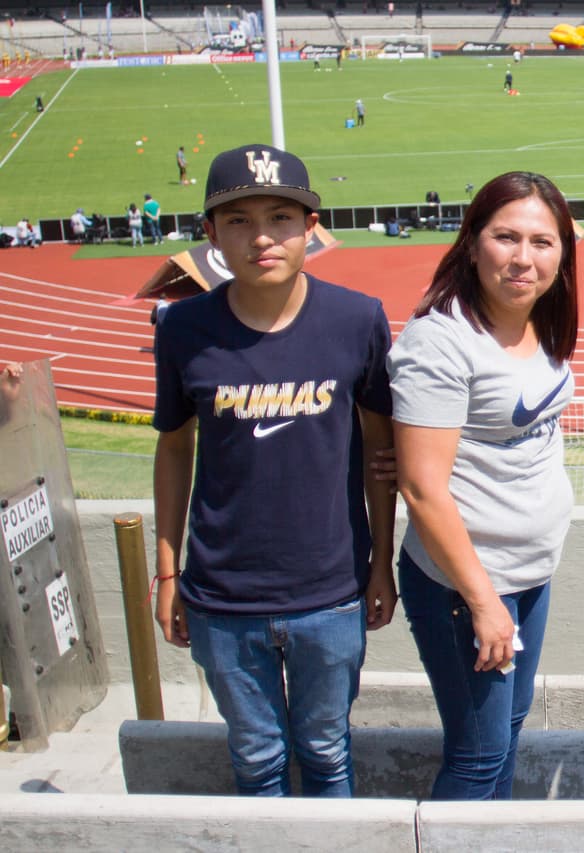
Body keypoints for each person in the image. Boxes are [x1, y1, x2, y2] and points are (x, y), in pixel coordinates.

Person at [152, 144, 397, 798]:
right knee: (256, 758)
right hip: (222, 598)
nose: (261, 237)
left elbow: (381, 451)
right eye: (238, 220)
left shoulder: (358, 320)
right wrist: (168, 572)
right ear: (210, 234)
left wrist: (380, 563)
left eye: (281, 217)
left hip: (332, 592)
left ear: (311, 227)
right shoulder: (183, 328)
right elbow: (173, 449)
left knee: (327, 751)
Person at [387, 171, 579, 800]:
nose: (524, 258)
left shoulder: (543, 321)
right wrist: (483, 601)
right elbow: (422, 488)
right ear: (472, 244)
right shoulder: (441, 340)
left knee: (507, 736)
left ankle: (493, 837)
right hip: (466, 583)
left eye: (542, 242)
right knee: (477, 757)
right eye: (506, 237)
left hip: (530, 572)